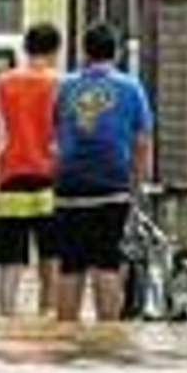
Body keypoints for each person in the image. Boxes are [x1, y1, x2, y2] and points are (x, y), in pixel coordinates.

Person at [53, 23, 154, 324]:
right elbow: (142, 142)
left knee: (70, 265)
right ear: (117, 52)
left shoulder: (66, 86)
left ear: (84, 52)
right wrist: (136, 186)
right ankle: (107, 342)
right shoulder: (131, 88)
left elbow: (58, 132)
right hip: (111, 186)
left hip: (69, 186)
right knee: (107, 265)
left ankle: (66, 338)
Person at [0, 22, 63, 318]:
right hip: (49, 181)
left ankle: (6, 321)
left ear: (25, 48)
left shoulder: (3, 82)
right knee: (50, 261)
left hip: (9, 179)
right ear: (55, 50)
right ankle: (47, 320)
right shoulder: (60, 84)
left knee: (9, 265)